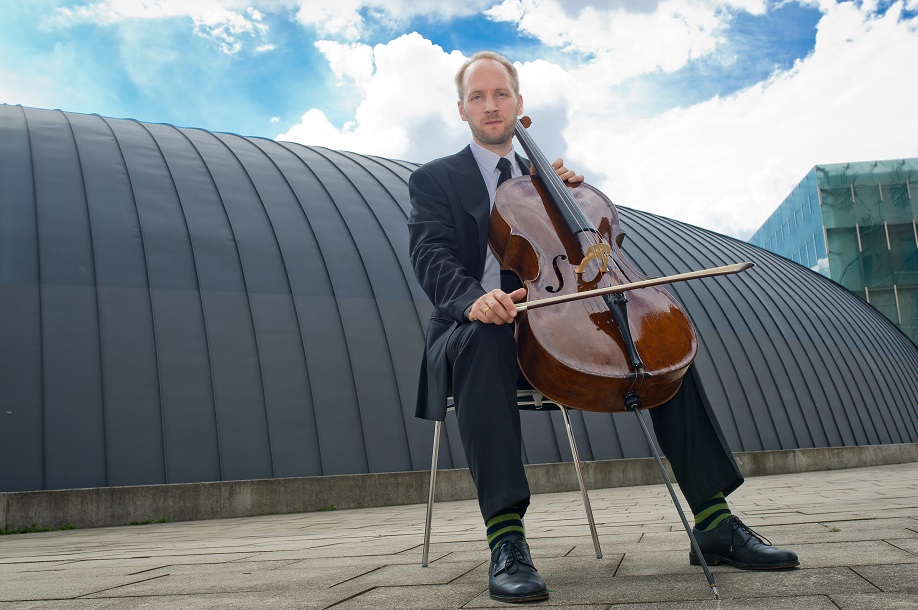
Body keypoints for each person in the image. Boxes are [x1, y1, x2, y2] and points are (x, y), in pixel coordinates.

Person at [407, 50, 798, 604]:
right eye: (478, 96)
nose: (491, 106)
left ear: (520, 105)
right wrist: (475, 300)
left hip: (561, 320)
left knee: (655, 338)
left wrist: (572, 207)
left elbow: (596, 257)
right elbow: (431, 256)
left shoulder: (552, 181)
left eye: (501, 95)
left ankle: (714, 521)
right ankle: (507, 540)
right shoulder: (435, 180)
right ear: (461, 109)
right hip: (481, 329)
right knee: (489, 335)